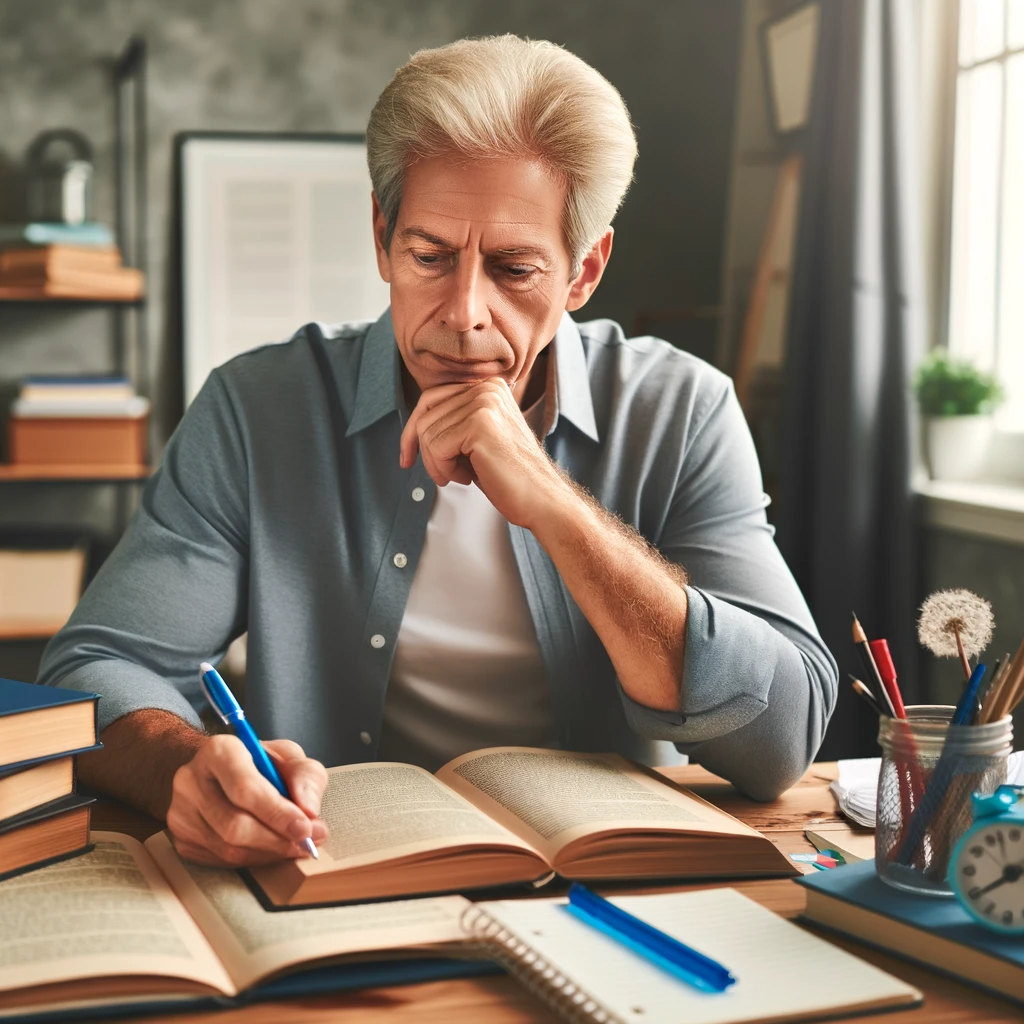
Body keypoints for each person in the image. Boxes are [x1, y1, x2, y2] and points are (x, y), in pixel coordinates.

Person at [39, 35, 837, 868]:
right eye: (429, 257)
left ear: (583, 271)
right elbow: (95, 666)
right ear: (383, 238)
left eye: (514, 268)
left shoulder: (683, 409)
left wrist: (557, 506)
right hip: (335, 875)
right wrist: (182, 769)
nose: (464, 313)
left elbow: (781, 740)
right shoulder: (257, 408)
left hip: (605, 887)